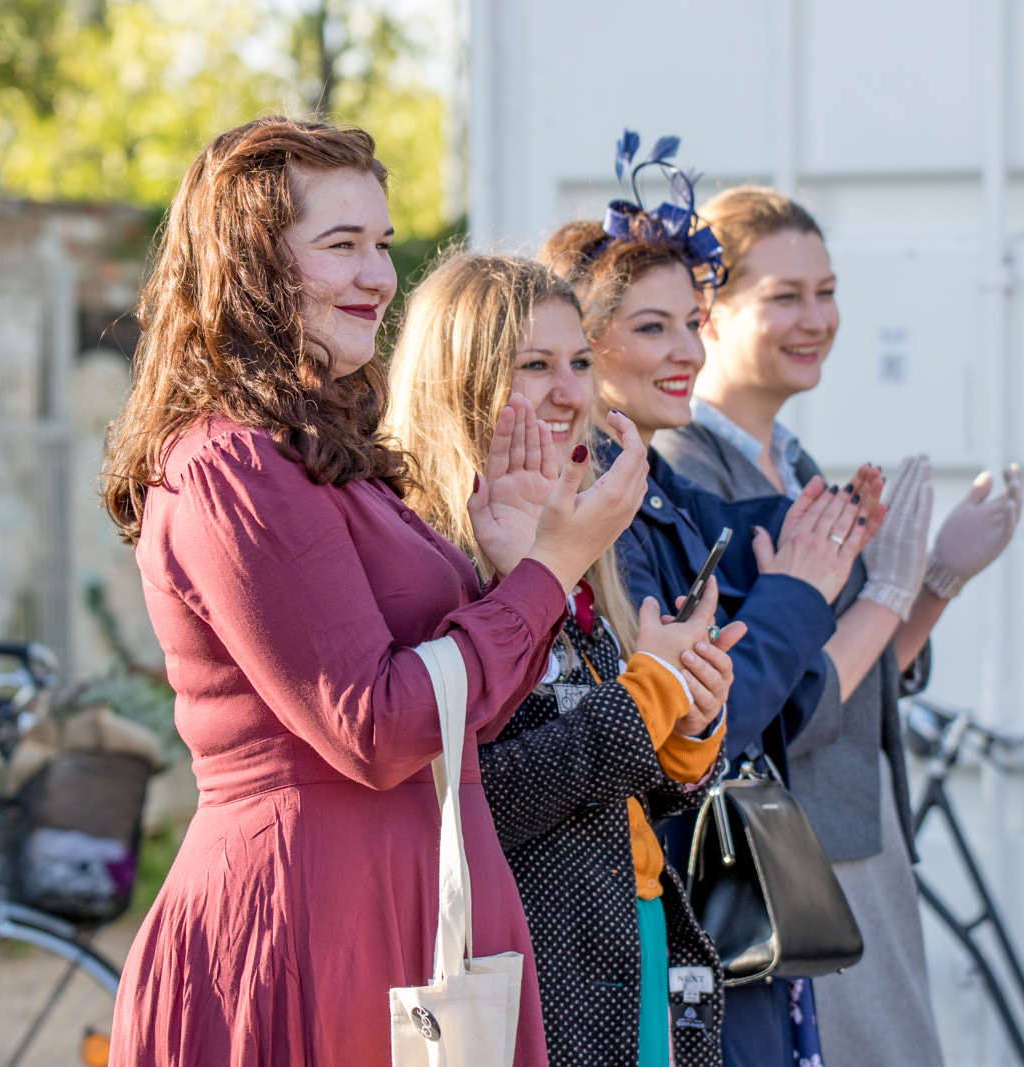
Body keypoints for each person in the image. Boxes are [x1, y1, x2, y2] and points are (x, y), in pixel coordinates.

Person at [100, 117, 652, 1066]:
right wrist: (550, 570)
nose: (376, 276)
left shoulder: (323, 454)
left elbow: (454, 713)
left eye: (383, 245)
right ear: (253, 270)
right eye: (340, 245)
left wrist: (505, 561)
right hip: (309, 921)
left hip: (405, 899)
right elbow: (375, 722)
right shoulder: (229, 464)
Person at [539, 133, 890, 1067]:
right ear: (583, 345)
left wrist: (841, 530)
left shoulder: (665, 490)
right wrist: (802, 586)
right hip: (664, 899)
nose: (690, 350)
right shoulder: (594, 507)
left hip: (715, 905)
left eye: (693, 323)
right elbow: (713, 716)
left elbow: (787, 681)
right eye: (654, 327)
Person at [654, 185, 1024, 1067]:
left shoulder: (794, 461)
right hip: (788, 857)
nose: (816, 317)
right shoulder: (686, 466)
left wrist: (935, 578)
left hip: (856, 834)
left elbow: (859, 680)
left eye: (826, 291)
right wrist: (894, 585)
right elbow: (781, 703)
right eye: (784, 296)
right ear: (709, 315)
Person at [385, 251, 744, 1067]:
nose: (572, 392)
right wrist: (644, 695)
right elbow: (478, 799)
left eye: (579, 362)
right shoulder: (429, 553)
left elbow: (615, 784)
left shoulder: (582, 538)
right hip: (535, 973)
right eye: (535, 365)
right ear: (463, 380)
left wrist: (687, 725)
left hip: (634, 939)